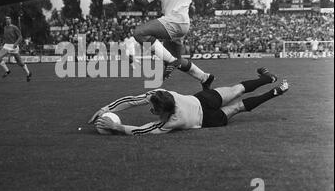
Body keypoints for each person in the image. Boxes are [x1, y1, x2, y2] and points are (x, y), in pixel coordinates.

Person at [115, 0, 257, 87]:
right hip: (174, 25)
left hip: (176, 21)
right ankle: (205, 77)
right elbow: (144, 1)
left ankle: (171, 61)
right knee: (177, 60)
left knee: (139, 32)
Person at [89, 67, 288, 135]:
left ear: (164, 112)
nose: (152, 111)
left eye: (154, 110)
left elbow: (140, 129)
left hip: (208, 118)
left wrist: (116, 126)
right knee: (237, 90)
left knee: (238, 106)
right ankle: (268, 80)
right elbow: (133, 101)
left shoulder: (168, 123)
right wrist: (106, 109)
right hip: (203, 100)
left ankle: (274, 89)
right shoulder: (163, 93)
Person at [0, 16, 32, 82]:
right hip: (6, 45)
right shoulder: (5, 28)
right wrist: (2, 44)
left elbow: (20, 37)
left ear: (11, 20)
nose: (7, 20)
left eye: (9, 19)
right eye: (6, 19)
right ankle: (7, 71)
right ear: (5, 21)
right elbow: (5, 37)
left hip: (13, 46)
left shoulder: (14, 27)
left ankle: (28, 73)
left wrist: (16, 44)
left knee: (20, 63)